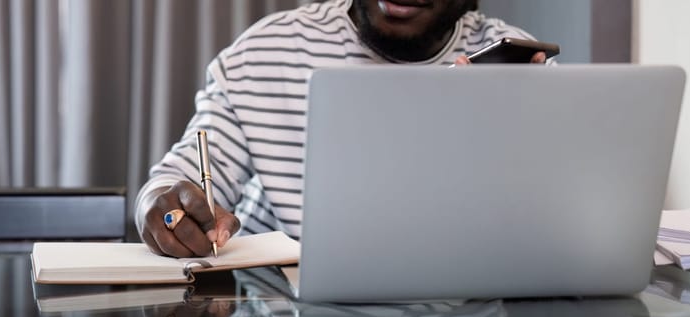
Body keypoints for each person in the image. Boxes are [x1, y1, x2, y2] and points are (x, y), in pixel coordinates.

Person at [135, 0, 547, 257]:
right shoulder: (265, 52)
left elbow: (568, 225)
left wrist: (513, 149)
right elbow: (178, 182)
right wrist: (160, 205)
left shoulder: (516, 64)